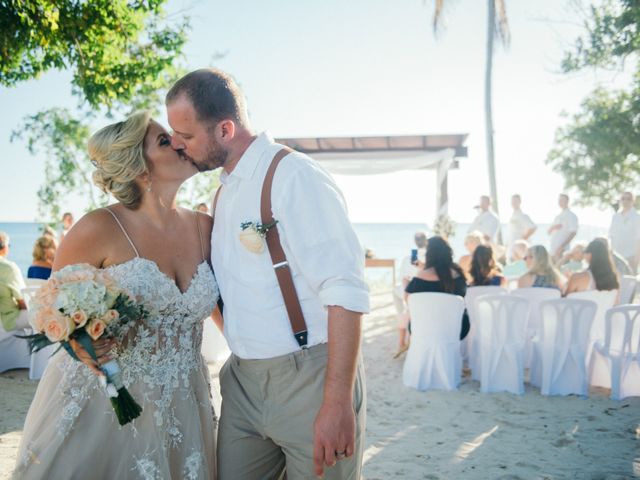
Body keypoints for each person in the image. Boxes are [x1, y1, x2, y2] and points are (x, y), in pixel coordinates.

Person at [166, 68, 369, 480]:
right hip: (242, 384)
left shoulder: (296, 176)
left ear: (225, 129)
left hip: (308, 380)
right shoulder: (222, 192)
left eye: (185, 136)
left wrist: (336, 402)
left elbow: (345, 289)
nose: (176, 144)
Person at [14, 112, 219, 479]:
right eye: (162, 140)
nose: (177, 141)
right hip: (106, 401)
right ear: (139, 169)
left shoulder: (206, 228)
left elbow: (229, 311)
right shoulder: (99, 227)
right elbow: (50, 305)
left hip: (185, 401)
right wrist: (78, 345)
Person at [405, 236, 469, 340]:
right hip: (457, 328)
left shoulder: (420, 277)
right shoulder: (459, 275)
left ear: (429, 254)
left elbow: (409, 301)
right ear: (448, 252)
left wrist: (406, 284)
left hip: (424, 329)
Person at [392, 231, 427, 357]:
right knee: (408, 308)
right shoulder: (431, 258)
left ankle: (401, 342)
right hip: (423, 293)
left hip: (411, 291)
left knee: (402, 305)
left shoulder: (408, 259)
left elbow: (402, 278)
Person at [0, 231, 29, 331]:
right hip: (6, 317)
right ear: (4, 248)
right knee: (39, 318)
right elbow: (21, 300)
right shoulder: (9, 268)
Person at [609, 191, 640, 273]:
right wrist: (611, 254)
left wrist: (637, 257)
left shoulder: (637, 217)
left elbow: (638, 238)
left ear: (633, 201)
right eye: (623, 199)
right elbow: (612, 236)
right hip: (616, 255)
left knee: (630, 281)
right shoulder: (615, 217)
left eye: (628, 199)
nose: (625, 201)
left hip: (631, 255)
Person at [548, 193, 578, 263]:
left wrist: (562, 247)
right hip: (553, 250)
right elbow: (549, 232)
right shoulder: (558, 216)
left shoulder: (571, 215)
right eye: (559, 200)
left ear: (567, 201)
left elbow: (573, 232)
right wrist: (553, 228)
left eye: (562, 200)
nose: (560, 202)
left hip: (562, 251)